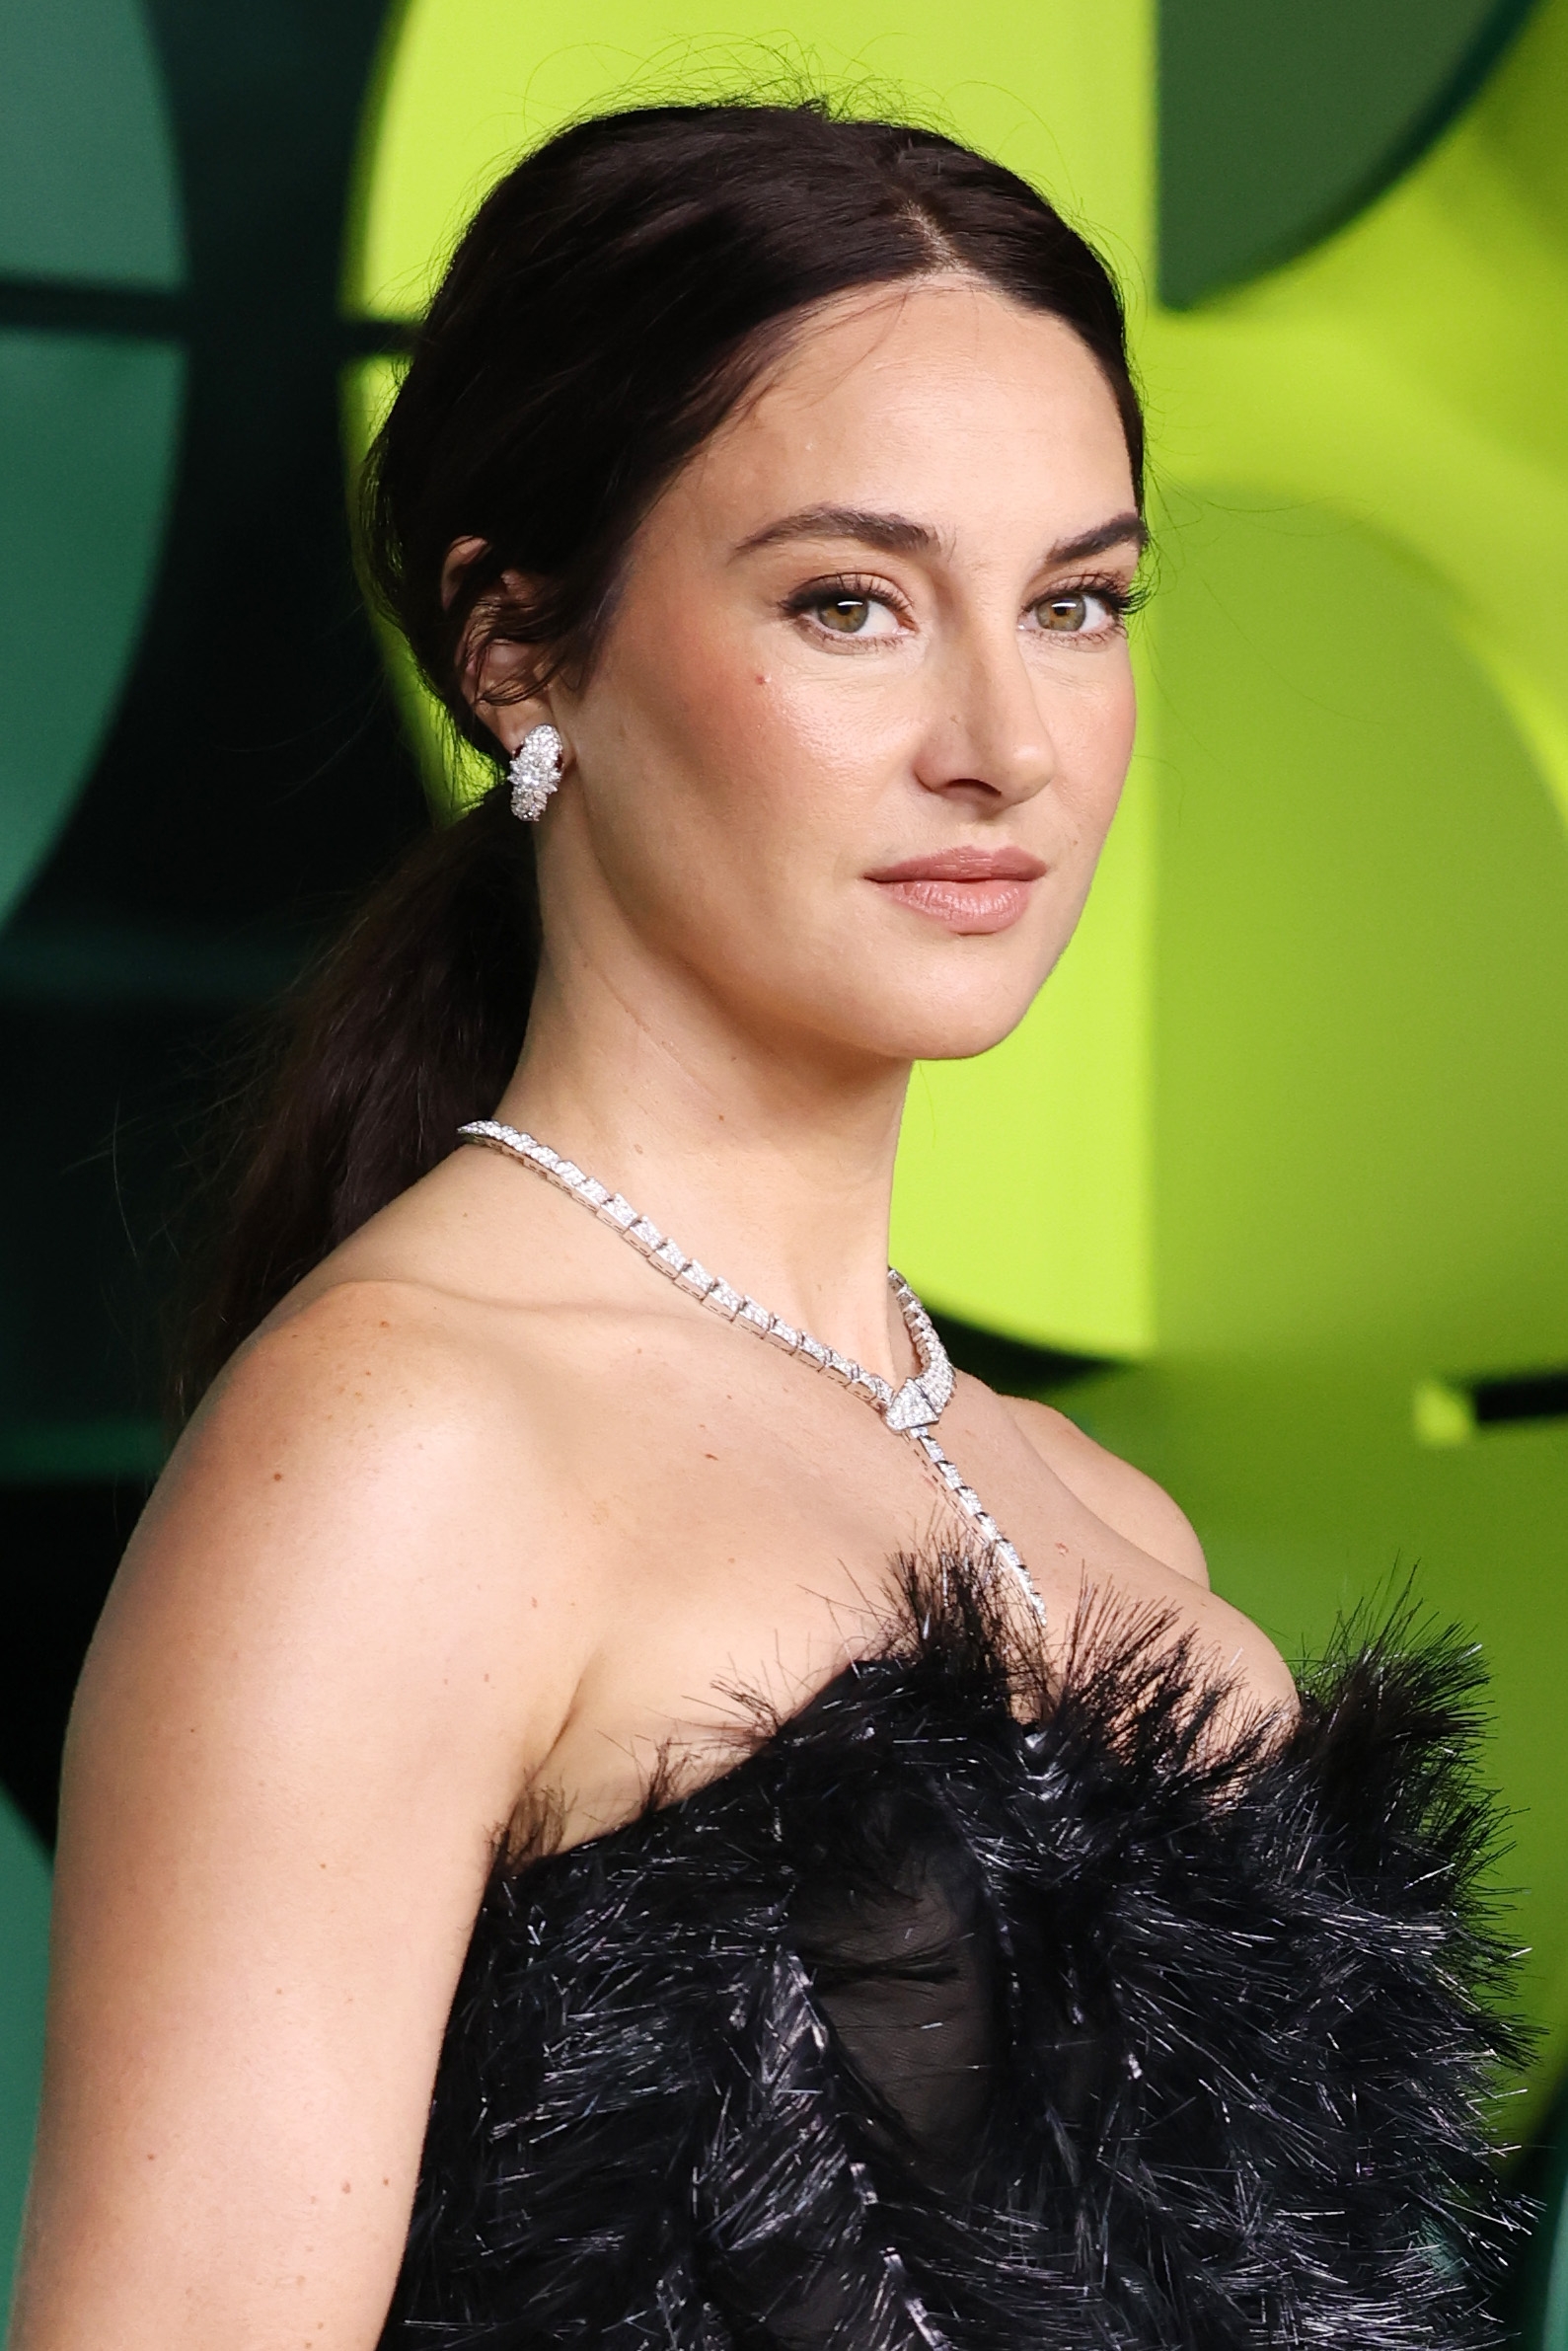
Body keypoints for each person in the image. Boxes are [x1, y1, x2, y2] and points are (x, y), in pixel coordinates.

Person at [10, 101, 1519, 2351]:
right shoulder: (402, 1454)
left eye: (1079, 603)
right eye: (851, 604)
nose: (1006, 740)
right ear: (519, 646)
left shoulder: (1107, 1521)